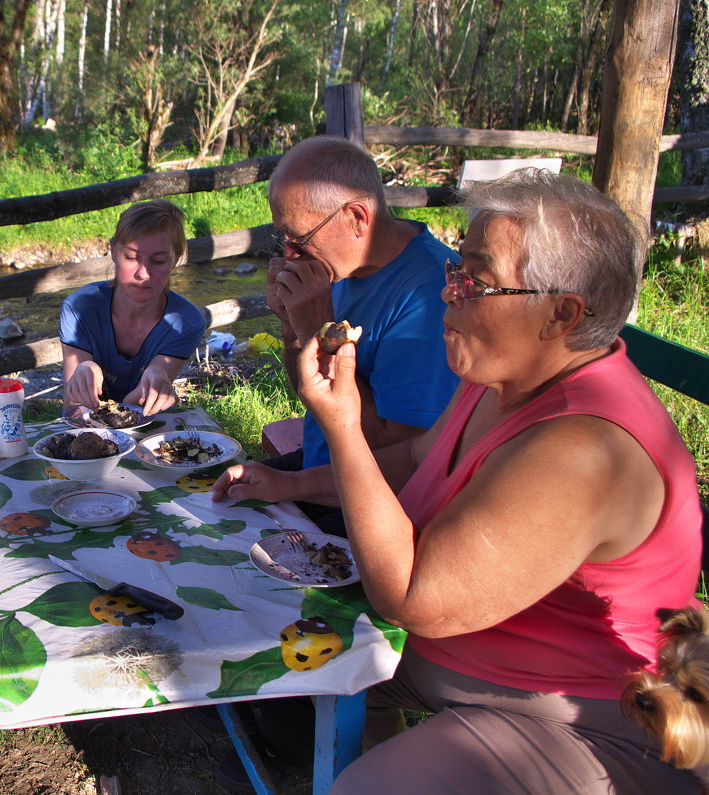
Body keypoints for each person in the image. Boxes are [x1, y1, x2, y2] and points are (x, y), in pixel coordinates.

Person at [214, 169, 703, 793]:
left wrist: (342, 425)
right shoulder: (501, 375)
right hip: (462, 654)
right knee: (249, 610)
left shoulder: (585, 448)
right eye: (455, 270)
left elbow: (412, 598)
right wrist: (291, 486)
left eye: (477, 279)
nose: (450, 292)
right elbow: (421, 457)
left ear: (561, 313)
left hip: (580, 716)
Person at [264, 136, 458, 470]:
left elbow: (397, 451)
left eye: (300, 239)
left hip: (364, 499)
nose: (289, 255)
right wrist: (292, 329)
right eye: (282, 238)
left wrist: (319, 331)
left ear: (357, 217)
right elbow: (312, 396)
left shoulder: (432, 297)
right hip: (319, 467)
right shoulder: (340, 268)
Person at [60, 199, 207, 417]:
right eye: (131, 257)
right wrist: (84, 369)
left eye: (158, 261)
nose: (143, 274)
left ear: (176, 260)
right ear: (112, 251)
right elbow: (74, 407)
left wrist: (158, 374)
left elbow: (137, 405)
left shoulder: (188, 322)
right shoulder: (79, 309)